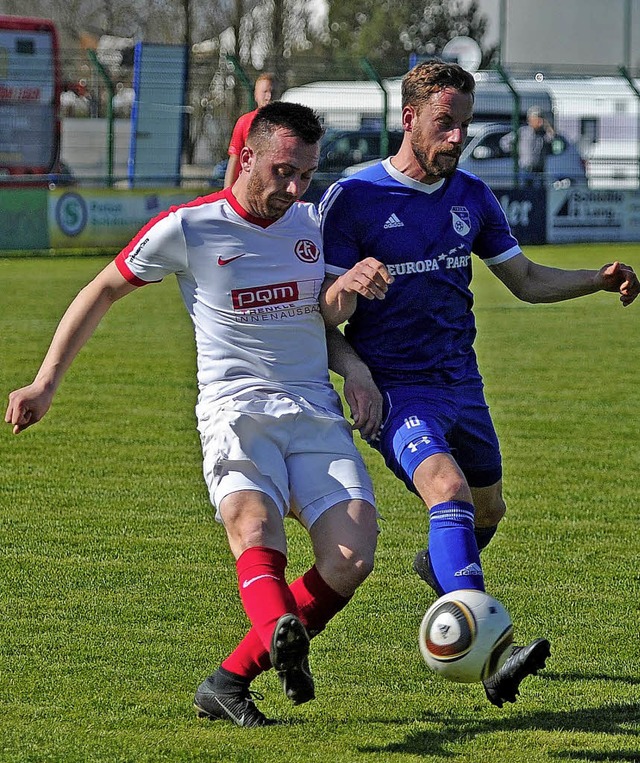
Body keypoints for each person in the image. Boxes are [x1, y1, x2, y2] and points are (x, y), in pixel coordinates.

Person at [5, 102, 379, 728]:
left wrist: (356, 362)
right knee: (253, 527)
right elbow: (101, 290)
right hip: (235, 412)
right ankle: (279, 634)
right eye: (282, 171)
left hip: (312, 408)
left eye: (305, 174)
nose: (292, 188)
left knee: (352, 556)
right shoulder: (190, 228)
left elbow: (317, 319)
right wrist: (45, 383)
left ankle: (233, 677)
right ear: (246, 156)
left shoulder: (313, 226)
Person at [318, 60, 639, 708]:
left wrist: (595, 280)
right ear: (408, 119)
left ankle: (442, 566)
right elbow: (317, 314)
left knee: (486, 510)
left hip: (464, 385)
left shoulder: (471, 196)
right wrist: (348, 293)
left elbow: (523, 279)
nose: (458, 138)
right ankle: (489, 650)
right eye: (445, 124)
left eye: (464, 124)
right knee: (448, 486)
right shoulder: (352, 201)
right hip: (397, 390)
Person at [223, 73, 275, 188]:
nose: (269, 96)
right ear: (256, 95)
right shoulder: (245, 122)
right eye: (265, 92)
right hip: (249, 187)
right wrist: (227, 192)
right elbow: (235, 159)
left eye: (272, 92)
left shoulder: (286, 124)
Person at [501, 105, 556, 185]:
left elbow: (552, 136)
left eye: (541, 118)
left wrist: (546, 124)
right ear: (530, 119)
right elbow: (504, 142)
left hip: (539, 171)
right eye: (537, 118)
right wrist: (515, 150)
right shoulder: (522, 132)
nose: (540, 121)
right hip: (524, 169)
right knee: (524, 192)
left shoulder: (543, 134)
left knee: (539, 193)